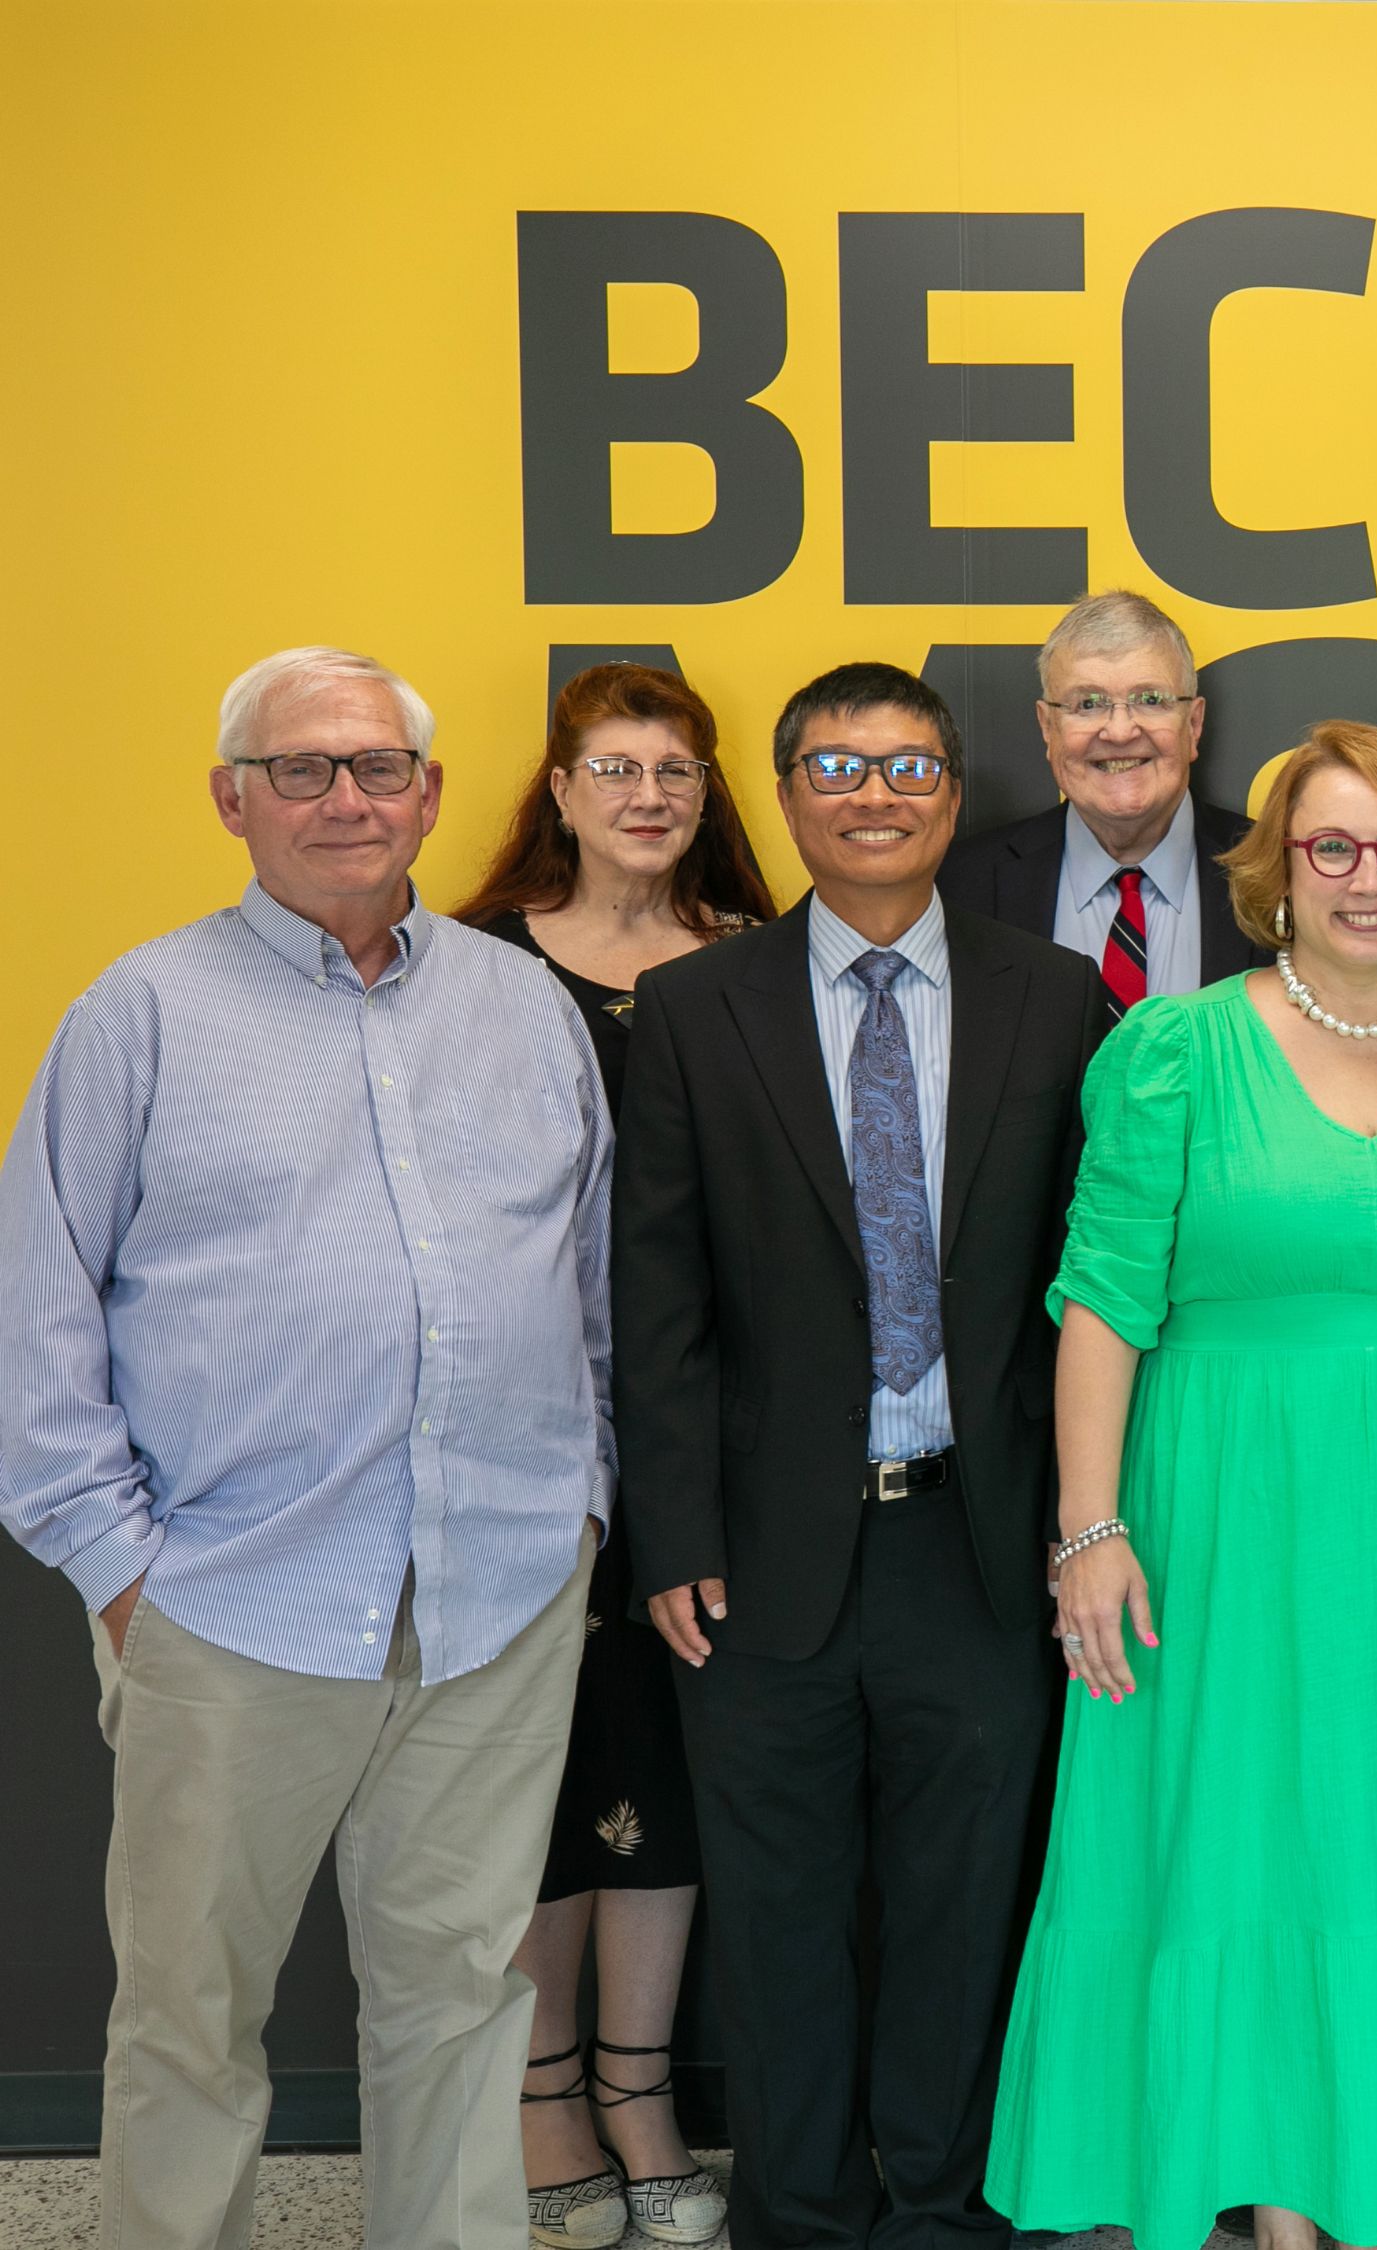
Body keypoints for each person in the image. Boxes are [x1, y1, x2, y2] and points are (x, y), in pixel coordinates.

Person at [0, 646, 608, 2250]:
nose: (346, 797)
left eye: (379, 765)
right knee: (190, 2016)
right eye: (302, 768)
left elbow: (591, 1278)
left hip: (499, 1591)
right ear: (231, 801)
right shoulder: (139, 1013)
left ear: (426, 793)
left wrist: (585, 1503)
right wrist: (121, 1570)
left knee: (463, 1991)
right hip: (232, 1601)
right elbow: (38, 1306)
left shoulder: (521, 1004)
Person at [986, 721, 1377, 2250]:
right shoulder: (1175, 1047)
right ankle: (1264, 2204)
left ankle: (1360, 2175)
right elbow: (1104, 1302)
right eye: (1333, 846)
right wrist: (1091, 1530)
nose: (1367, 878)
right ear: (1277, 869)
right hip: (1219, 1514)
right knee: (1234, 1835)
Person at [612, 661, 1102, 2248]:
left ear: (954, 798)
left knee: (968, 1906)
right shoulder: (698, 1006)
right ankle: (804, 2211)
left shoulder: (1053, 996)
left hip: (983, 1540)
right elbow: (659, 1292)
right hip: (757, 1554)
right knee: (778, 1914)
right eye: (835, 763)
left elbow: (1086, 1285)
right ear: (787, 794)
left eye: (906, 767)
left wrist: (1085, 1526)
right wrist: (671, 1527)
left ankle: (948, 2208)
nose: (872, 791)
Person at [451, 660, 777, 2249]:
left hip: (720, 1440)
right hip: (527, 1439)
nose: (648, 795)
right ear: (560, 791)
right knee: (539, 1775)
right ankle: (540, 2089)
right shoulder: (475, 968)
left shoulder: (757, 964)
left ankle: (641, 2088)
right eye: (615, 768)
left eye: (676, 770)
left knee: (671, 1766)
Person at [937, 587, 1257, 1010]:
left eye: (1150, 700)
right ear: (1048, 728)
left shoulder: (1275, 870)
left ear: (1194, 724)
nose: (1120, 731)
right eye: (1088, 703)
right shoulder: (960, 887)